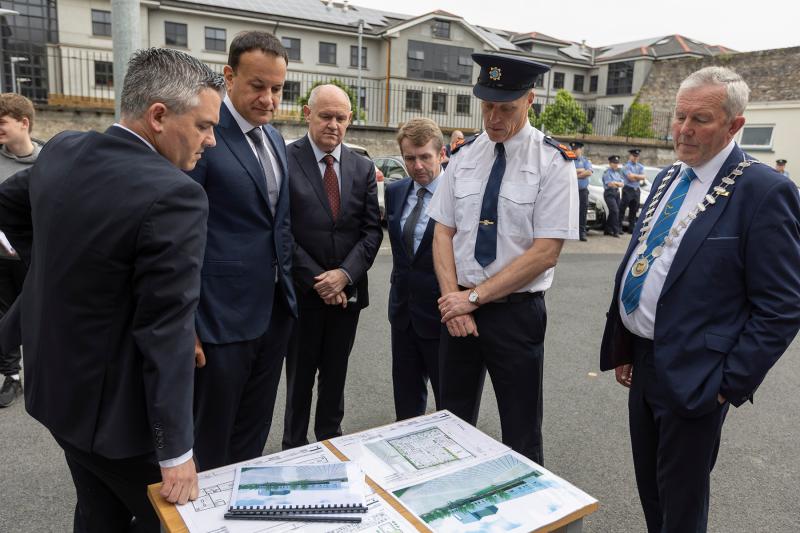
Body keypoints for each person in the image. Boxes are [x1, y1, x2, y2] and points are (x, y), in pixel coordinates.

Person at [0, 48, 224, 532]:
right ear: (159, 116)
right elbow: (165, 331)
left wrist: (49, 274)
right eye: (205, 125)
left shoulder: (64, 148)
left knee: (97, 513)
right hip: (119, 422)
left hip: (56, 396)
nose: (210, 141)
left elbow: (10, 203)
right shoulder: (177, 195)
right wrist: (176, 452)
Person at [600, 66, 800, 533]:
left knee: (682, 500)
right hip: (646, 359)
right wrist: (628, 342)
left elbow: (783, 305)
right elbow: (646, 256)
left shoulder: (765, 192)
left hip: (700, 376)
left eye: (701, 119)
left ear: (734, 125)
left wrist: (728, 383)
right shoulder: (671, 175)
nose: (684, 130)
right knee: (651, 487)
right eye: (679, 116)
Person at [428, 52, 578, 464]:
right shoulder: (462, 155)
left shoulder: (552, 162)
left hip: (514, 314)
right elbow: (443, 231)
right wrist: (452, 301)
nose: (494, 118)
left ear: (530, 100)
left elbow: (546, 253)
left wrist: (473, 298)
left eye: (506, 108)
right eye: (488, 106)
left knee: (521, 429)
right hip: (456, 310)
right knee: (450, 424)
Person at [187, 31, 298, 471]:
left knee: (252, 433)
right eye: (258, 86)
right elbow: (183, 235)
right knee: (210, 438)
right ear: (229, 77)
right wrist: (187, 319)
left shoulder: (273, 139)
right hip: (218, 320)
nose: (269, 99)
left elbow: (279, 225)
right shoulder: (206, 136)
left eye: (277, 89)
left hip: (272, 313)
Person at [283, 84, 382, 449]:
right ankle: (292, 446)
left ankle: (330, 442)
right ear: (307, 114)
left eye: (341, 118)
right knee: (299, 379)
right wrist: (318, 280)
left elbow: (372, 232)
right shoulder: (285, 159)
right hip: (302, 294)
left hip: (348, 295)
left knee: (335, 376)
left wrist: (343, 276)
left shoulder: (363, 167)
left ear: (350, 120)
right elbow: (282, 230)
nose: (333, 125)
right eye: (325, 116)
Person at [385, 118, 445, 420]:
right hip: (403, 315)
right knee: (406, 406)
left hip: (443, 317)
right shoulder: (395, 192)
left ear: (441, 154)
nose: (417, 165)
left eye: (425, 157)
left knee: (450, 407)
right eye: (410, 158)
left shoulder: (459, 195)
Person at [0, 93, 42, 408]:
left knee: (38, 315)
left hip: (35, 258)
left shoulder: (49, 160)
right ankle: (11, 377)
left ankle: (42, 373)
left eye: (3, 122)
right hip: (1, 258)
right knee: (4, 315)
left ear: (23, 123)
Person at [571, 141, 592, 241]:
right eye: (573, 149)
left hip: (583, 191)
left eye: (576, 149)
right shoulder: (569, 159)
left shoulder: (585, 161)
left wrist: (575, 175)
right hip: (571, 190)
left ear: (581, 150)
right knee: (570, 211)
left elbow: (589, 172)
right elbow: (567, 172)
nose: (574, 151)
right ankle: (570, 232)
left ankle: (581, 233)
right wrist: (580, 171)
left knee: (583, 212)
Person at [621, 148, 646, 233]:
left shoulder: (640, 166)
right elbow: (630, 178)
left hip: (636, 190)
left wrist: (635, 176)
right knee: (622, 209)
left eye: (637, 156)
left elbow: (643, 177)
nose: (635, 158)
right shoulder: (626, 166)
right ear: (630, 156)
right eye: (634, 156)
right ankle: (618, 228)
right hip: (628, 189)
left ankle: (631, 229)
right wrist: (637, 176)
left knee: (634, 210)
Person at [602, 155, 625, 237]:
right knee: (615, 211)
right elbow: (610, 184)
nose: (616, 165)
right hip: (609, 194)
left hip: (616, 193)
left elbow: (622, 184)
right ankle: (616, 231)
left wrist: (616, 183)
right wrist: (616, 183)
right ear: (610, 163)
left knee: (614, 212)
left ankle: (607, 229)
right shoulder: (607, 173)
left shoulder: (617, 173)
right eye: (614, 163)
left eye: (617, 163)